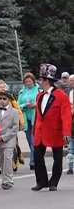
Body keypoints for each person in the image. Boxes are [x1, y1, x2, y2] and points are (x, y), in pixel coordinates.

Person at [31, 64, 72, 192]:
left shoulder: (61, 96)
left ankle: (54, 182)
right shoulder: (39, 96)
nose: (39, 82)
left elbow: (66, 116)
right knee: (37, 156)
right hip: (40, 131)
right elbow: (38, 115)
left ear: (47, 81)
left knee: (57, 158)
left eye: (40, 80)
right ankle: (41, 181)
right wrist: (34, 130)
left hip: (56, 132)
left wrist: (66, 132)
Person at [0, 91, 21, 190]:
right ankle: (4, 179)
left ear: (9, 100)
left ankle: (9, 180)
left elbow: (15, 127)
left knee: (8, 159)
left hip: (9, 139)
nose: (2, 101)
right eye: (1, 99)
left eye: (5, 99)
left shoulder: (14, 112)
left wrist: (4, 137)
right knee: (1, 160)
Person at [17, 72, 39, 170]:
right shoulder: (22, 92)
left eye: (30, 81)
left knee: (33, 141)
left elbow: (42, 103)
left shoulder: (38, 90)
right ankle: (36, 157)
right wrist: (24, 106)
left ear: (33, 81)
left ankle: (33, 162)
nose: (28, 83)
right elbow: (17, 105)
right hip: (26, 120)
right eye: (26, 82)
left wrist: (35, 105)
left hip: (36, 118)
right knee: (29, 140)